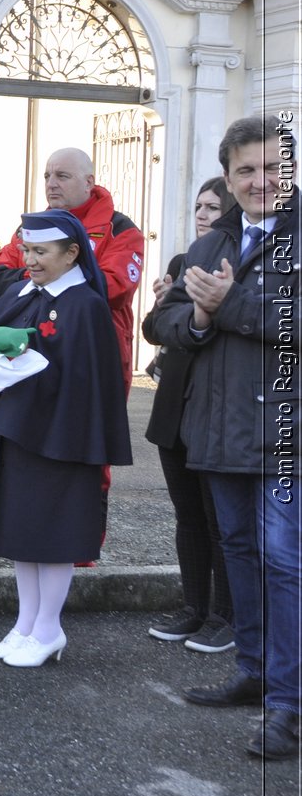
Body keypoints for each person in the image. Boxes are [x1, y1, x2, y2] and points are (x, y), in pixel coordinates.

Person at [153, 113, 299, 760]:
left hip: (284, 435)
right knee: (237, 550)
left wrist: (224, 305)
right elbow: (163, 320)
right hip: (218, 432)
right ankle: (254, 669)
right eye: (247, 169)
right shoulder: (214, 241)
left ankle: (289, 704)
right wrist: (203, 318)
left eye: (272, 168)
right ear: (229, 175)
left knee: (284, 562)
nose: (260, 180)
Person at [0, 209, 133, 668]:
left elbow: (86, 380)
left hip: (63, 438)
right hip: (18, 431)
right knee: (20, 531)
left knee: (53, 534)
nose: (29, 259)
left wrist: (34, 371)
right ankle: (25, 623)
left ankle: (49, 627)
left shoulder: (84, 305)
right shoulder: (26, 292)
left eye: (41, 251)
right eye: (26, 249)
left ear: (71, 254)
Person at [140, 177, 236, 653]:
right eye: (198, 205)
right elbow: (154, 330)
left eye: (213, 207)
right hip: (173, 406)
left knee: (221, 521)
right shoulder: (184, 263)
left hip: (214, 411)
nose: (202, 214)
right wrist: (162, 304)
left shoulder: (242, 267)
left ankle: (225, 616)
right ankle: (193, 608)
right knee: (188, 517)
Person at [0, 147, 144, 386]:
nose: (51, 184)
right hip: (27, 354)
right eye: (47, 176)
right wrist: (44, 275)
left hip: (93, 356)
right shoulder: (33, 226)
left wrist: (38, 278)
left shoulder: (120, 229)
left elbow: (112, 290)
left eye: (62, 176)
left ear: (89, 182)